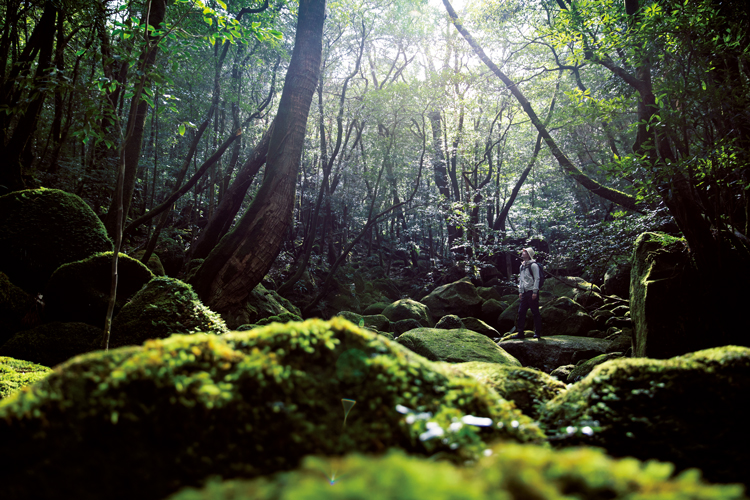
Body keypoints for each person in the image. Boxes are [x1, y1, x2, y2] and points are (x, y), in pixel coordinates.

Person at [512, 247, 542, 339]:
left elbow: (537, 278)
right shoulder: (522, 266)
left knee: (535, 312)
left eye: (524, 252)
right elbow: (521, 280)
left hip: (531, 292)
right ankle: (520, 333)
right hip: (524, 293)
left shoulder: (533, 265)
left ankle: (538, 333)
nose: (522, 253)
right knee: (521, 312)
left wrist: (535, 291)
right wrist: (520, 291)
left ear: (529, 255)